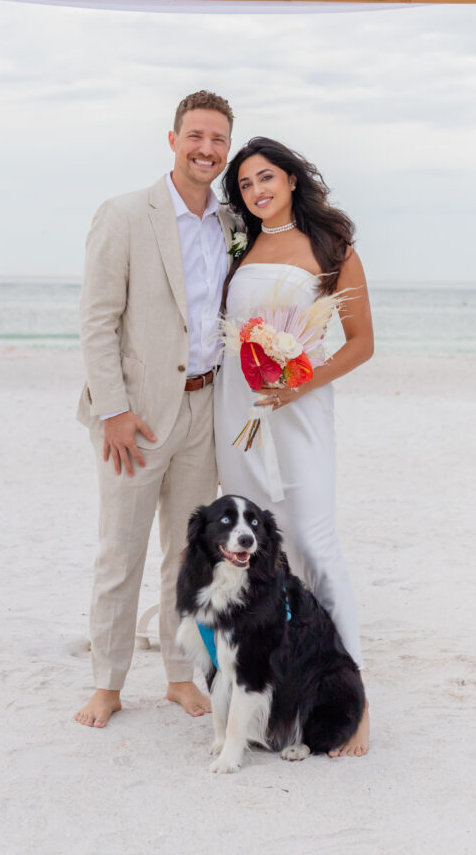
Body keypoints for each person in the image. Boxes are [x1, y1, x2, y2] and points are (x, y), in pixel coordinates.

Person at [74, 90, 236, 728]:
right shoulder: (123, 215)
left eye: (218, 139)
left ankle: (177, 675)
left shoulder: (229, 223)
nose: (207, 149)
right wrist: (112, 409)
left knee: (188, 554)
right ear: (172, 139)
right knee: (122, 549)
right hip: (135, 416)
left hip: (204, 410)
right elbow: (96, 321)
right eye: (196, 135)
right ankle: (107, 684)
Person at [214, 136, 374, 757]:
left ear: (291, 178)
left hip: (300, 408)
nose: (257, 191)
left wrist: (298, 381)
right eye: (247, 184)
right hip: (239, 410)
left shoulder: (332, 247)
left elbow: (359, 343)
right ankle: (263, 701)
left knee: (314, 542)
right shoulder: (241, 246)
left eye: (266, 178)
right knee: (248, 558)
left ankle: (352, 702)